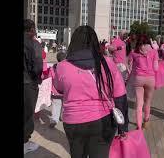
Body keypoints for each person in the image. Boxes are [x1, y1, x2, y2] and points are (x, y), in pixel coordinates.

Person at [53, 26, 126, 158]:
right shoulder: (108, 63)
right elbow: (120, 96)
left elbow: (58, 89)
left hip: (73, 121)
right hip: (102, 120)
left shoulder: (62, 66)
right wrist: (123, 127)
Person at [127, 35, 159, 130]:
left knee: (139, 103)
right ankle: (146, 121)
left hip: (138, 79)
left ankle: (139, 126)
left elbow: (129, 66)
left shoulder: (133, 53)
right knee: (148, 102)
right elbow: (156, 68)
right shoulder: (154, 52)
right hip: (150, 79)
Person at [23, 19, 43, 154]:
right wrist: (37, 79)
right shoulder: (34, 44)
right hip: (28, 83)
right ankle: (25, 143)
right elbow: (37, 67)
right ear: (31, 29)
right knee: (27, 114)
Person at [107, 30, 129, 134]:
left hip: (121, 65)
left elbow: (123, 55)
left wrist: (127, 67)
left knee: (120, 86)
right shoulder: (118, 41)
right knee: (120, 86)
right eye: (124, 34)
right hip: (119, 65)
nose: (125, 35)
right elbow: (110, 48)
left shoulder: (123, 42)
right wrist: (117, 48)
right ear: (121, 34)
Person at [49, 49, 67, 128]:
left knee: (56, 105)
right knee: (64, 105)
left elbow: (50, 78)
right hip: (65, 91)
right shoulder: (68, 68)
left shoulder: (53, 68)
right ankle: (62, 117)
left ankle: (54, 119)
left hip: (55, 91)